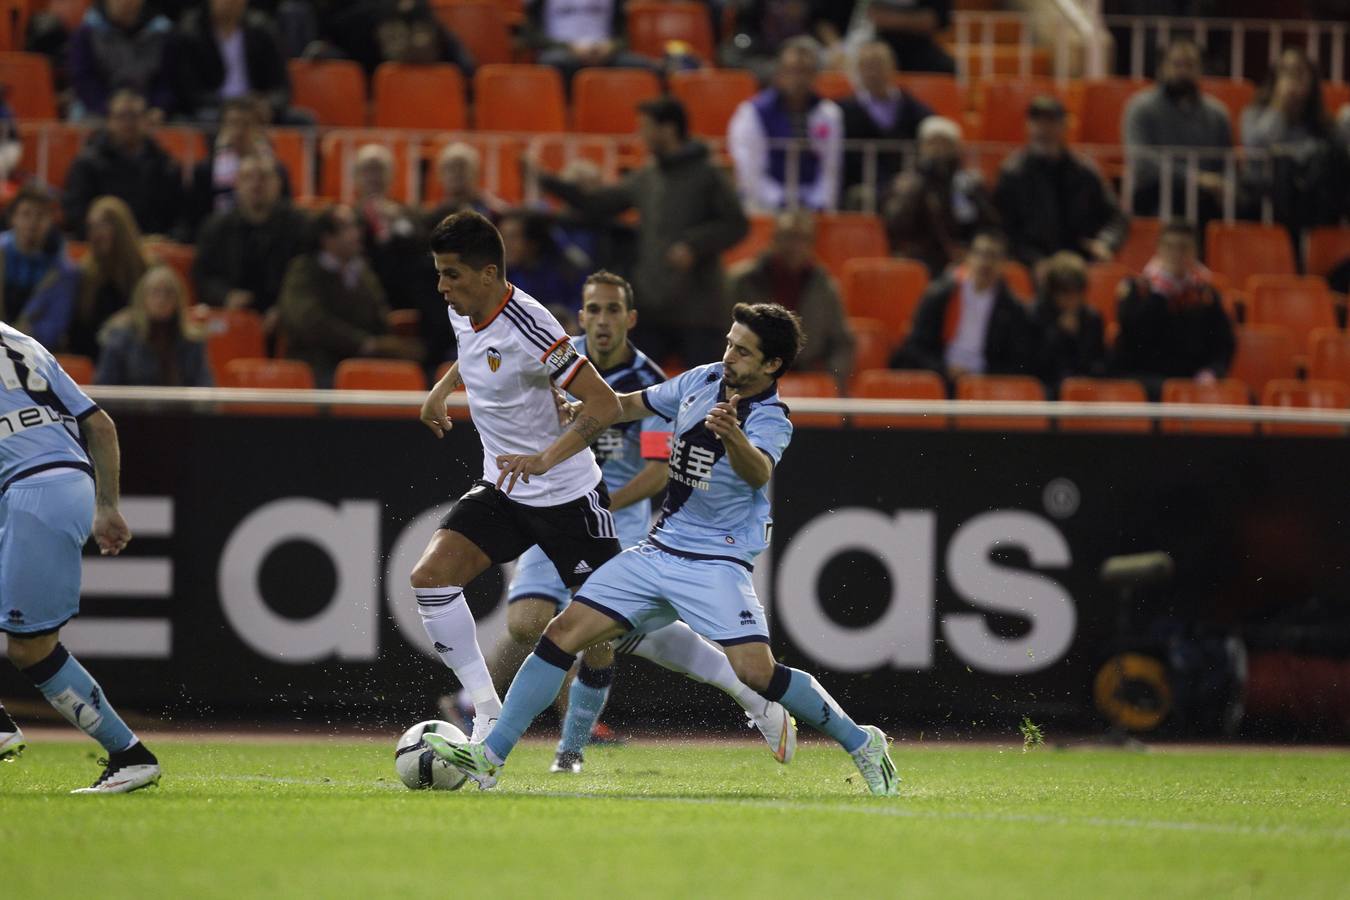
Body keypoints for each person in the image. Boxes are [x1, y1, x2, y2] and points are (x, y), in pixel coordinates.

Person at [421, 303, 899, 796]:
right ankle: (490, 757)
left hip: (716, 562)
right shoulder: (703, 379)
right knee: (562, 632)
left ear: (772, 365)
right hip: (658, 550)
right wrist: (580, 411)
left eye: (743, 351)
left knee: (756, 671)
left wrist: (732, 437)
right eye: (730, 343)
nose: (729, 355)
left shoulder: (772, 419)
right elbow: (630, 405)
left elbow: (759, 473)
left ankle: (863, 741)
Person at [453, 270, 792, 774]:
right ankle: (483, 714)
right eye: (593, 309)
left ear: (629, 318)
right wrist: (444, 389)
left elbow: (659, 469)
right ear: (581, 314)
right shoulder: (558, 353)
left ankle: (562, 750)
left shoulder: (657, 378)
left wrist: (600, 501)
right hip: (553, 510)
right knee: (528, 624)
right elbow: (487, 359)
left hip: (615, 523)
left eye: (613, 310)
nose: (602, 320)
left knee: (597, 634)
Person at [0, 323, 162, 792]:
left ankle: (131, 755)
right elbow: (101, 426)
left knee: (31, 647)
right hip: (55, 484)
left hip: (33, 491)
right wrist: (106, 505)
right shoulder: (21, 342)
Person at [530, 96, 748, 366]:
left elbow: (737, 224)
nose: (639, 135)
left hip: (699, 311)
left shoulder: (708, 174)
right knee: (639, 394)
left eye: (645, 127)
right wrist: (548, 181)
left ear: (668, 129)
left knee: (704, 393)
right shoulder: (646, 177)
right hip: (651, 307)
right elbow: (597, 204)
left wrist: (695, 244)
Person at [277, 204, 420, 387]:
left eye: (356, 226)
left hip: (365, 364)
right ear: (326, 238)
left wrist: (389, 345)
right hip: (317, 367)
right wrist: (365, 343)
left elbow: (379, 313)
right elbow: (310, 322)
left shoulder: (362, 271)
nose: (357, 233)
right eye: (347, 227)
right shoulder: (303, 271)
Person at [994, 95, 1128, 272]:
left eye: (1050, 122)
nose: (1043, 130)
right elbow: (1003, 229)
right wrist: (1033, 261)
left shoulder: (1085, 171)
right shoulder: (1012, 173)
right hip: (1031, 266)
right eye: (1037, 122)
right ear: (1028, 127)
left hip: (1080, 264)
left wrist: (1105, 243)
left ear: (1064, 126)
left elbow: (1117, 217)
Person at [726, 210, 855, 387]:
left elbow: (841, 344)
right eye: (788, 237)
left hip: (808, 377)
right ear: (774, 240)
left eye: (802, 239)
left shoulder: (825, 288)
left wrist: (830, 381)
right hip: (751, 373)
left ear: (812, 244)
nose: (795, 245)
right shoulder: (741, 281)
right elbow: (721, 333)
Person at [351, 143, 450, 373]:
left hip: (410, 296)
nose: (374, 177)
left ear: (391, 176)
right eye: (368, 170)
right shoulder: (345, 219)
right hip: (364, 298)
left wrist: (399, 225)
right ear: (356, 177)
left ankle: (433, 361)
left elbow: (427, 252)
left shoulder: (411, 216)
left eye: (380, 170)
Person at [890, 229, 1033, 382]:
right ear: (968, 257)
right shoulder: (940, 295)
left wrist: (981, 374)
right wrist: (944, 369)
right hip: (941, 375)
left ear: (1004, 263)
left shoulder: (1013, 309)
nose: (985, 263)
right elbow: (916, 346)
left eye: (993, 256)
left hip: (985, 382)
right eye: (980, 254)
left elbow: (1018, 360)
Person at [1113, 221, 1234, 398]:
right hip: (1145, 379)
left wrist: (1212, 372)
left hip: (1192, 381)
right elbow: (1131, 335)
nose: (1176, 254)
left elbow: (1223, 345)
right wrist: (1160, 294)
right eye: (1170, 247)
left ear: (1195, 252)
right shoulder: (1137, 289)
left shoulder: (1205, 296)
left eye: (1184, 248)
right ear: (1159, 250)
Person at [1240, 48, 1350, 240]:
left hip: (1315, 201)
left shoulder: (1324, 124)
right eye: (1285, 73)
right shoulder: (1253, 114)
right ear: (1275, 79)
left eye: (1298, 73)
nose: (1292, 81)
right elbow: (1256, 150)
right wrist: (1279, 106)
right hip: (1268, 197)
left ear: (1311, 81)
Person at [193, 153, 307, 336]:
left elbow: (305, 276)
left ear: (278, 183)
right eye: (248, 177)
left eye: (263, 177)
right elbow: (203, 276)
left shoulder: (299, 226)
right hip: (231, 315)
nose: (256, 184)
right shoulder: (215, 227)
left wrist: (283, 308)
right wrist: (226, 296)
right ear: (237, 184)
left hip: (285, 315)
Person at [728, 37, 844, 212]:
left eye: (805, 71)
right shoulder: (751, 113)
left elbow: (831, 169)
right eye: (792, 71)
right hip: (766, 203)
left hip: (812, 204)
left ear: (815, 75)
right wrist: (781, 201)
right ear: (779, 72)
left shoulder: (828, 113)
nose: (798, 79)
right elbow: (749, 171)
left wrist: (817, 202)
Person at [1123, 39, 1233, 222]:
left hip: (1205, 199)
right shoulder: (1140, 107)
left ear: (1200, 69)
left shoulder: (1218, 114)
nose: (1182, 71)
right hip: (1155, 194)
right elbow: (1142, 163)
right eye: (1176, 64)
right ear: (1163, 68)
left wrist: (1224, 186)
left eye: (1189, 65)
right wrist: (1195, 178)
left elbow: (1226, 163)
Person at [62, 89, 185, 240]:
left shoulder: (166, 166)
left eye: (134, 116)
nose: (128, 123)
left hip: (153, 247)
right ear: (109, 121)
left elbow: (177, 216)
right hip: (104, 246)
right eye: (121, 117)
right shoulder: (87, 165)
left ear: (146, 121)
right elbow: (77, 214)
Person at [884, 115, 999, 276]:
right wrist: (916, 190)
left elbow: (989, 224)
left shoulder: (969, 184)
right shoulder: (908, 184)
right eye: (932, 143)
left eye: (945, 143)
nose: (938, 149)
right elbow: (896, 224)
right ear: (922, 147)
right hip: (922, 260)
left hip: (969, 260)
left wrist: (972, 251)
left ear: (956, 148)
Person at [838, 39, 933, 205]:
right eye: (867, 66)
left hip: (905, 185)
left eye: (878, 65)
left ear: (893, 67)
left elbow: (931, 136)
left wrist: (912, 176)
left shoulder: (912, 108)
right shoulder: (842, 110)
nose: (873, 72)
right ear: (858, 71)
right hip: (862, 186)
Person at [175, 0, 296, 126]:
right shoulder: (189, 33)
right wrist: (231, 106)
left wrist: (269, 104)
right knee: (206, 118)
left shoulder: (262, 30)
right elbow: (188, 92)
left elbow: (282, 87)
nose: (231, 2)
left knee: (302, 120)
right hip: (212, 108)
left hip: (256, 107)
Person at [94, 264, 213, 386]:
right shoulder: (120, 339)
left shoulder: (192, 342)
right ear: (142, 297)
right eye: (155, 292)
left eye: (168, 293)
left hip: (179, 405)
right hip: (131, 405)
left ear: (178, 299)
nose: (161, 300)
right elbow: (105, 388)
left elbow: (204, 390)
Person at [187, 96, 292, 234]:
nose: (239, 131)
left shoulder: (276, 170)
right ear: (222, 127)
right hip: (221, 238)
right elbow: (196, 219)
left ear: (259, 129)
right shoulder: (206, 170)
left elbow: (284, 212)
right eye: (232, 123)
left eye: (246, 124)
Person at [66, 196, 150, 359]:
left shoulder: (147, 270)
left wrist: (132, 316)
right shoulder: (83, 274)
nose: (96, 234)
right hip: (94, 358)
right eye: (91, 227)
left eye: (103, 225)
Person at [1, 185, 81, 350]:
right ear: (12, 218)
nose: (32, 223)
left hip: (34, 355)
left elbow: (53, 328)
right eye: (26, 214)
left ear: (51, 221)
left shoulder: (64, 271)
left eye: (40, 216)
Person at [69, 0, 177, 119]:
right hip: (98, 109)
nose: (125, 3)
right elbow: (83, 80)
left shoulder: (163, 33)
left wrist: (158, 107)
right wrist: (107, 108)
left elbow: (168, 80)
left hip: (148, 110)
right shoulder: (86, 33)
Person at [528, 0, 657, 87]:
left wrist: (611, 46)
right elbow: (531, 36)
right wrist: (568, 46)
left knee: (643, 67)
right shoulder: (539, 4)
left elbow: (624, 37)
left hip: (605, 50)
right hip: (561, 48)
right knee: (556, 62)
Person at [1031, 251, 1106, 394]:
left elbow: (1098, 364)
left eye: (1077, 292)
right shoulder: (1036, 314)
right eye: (1065, 292)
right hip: (1047, 388)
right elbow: (1035, 364)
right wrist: (1058, 333)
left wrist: (1077, 336)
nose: (1072, 299)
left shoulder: (1092, 318)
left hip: (1083, 390)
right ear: (1053, 292)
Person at [497, 209, 585, 316]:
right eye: (502, 237)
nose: (505, 245)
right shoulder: (501, 276)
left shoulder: (566, 273)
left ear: (533, 242)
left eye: (513, 237)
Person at [864, 0, 955, 75]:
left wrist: (888, 18)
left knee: (948, 71)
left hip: (921, 47)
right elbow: (873, 15)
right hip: (881, 45)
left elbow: (934, 20)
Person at [425, 142, 506, 224]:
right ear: (439, 175)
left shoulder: (495, 212)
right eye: (450, 167)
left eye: (462, 166)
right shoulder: (432, 215)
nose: (456, 173)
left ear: (476, 172)